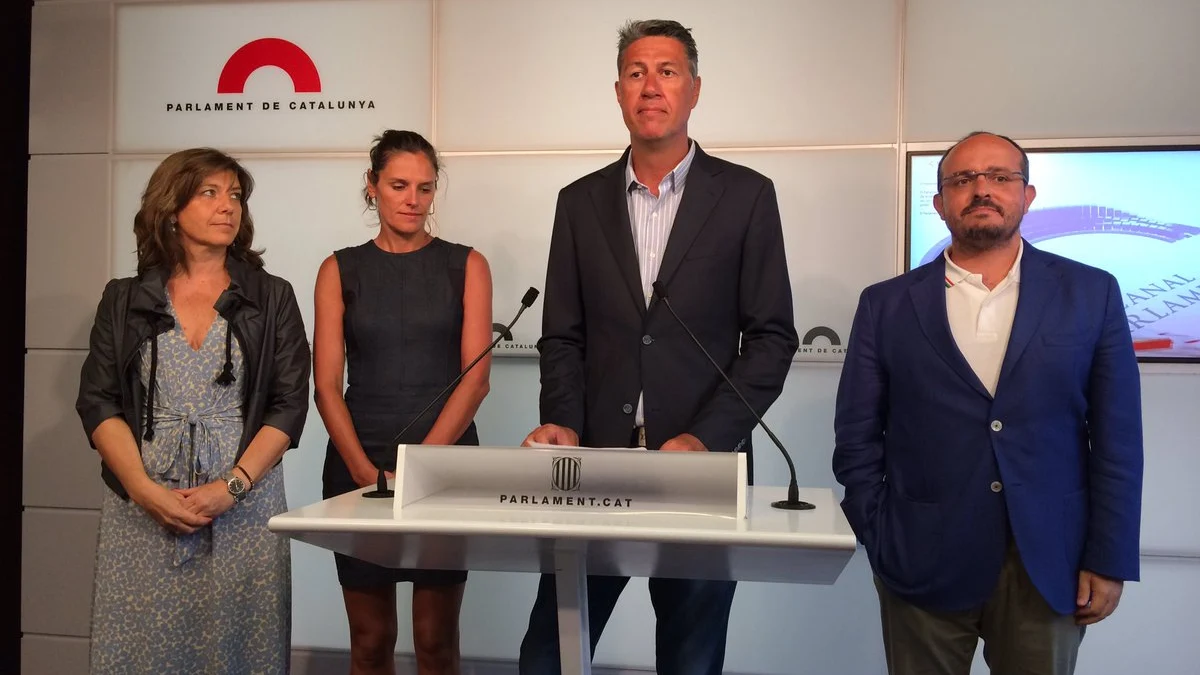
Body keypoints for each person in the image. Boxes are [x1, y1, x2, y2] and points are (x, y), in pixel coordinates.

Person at [518, 19, 798, 675]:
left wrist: (707, 438)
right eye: (637, 72)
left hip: (700, 472)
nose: (652, 86)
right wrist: (560, 417)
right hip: (593, 469)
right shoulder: (579, 202)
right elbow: (562, 336)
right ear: (618, 91)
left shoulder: (747, 196)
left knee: (690, 660)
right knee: (546, 655)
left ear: (694, 89)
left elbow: (771, 338)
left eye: (667, 71)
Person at [833, 131, 1144, 675]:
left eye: (1000, 177)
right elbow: (857, 436)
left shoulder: (1090, 293)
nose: (982, 189)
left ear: (1027, 195)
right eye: (963, 180)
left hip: (1051, 563)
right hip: (920, 559)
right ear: (939, 203)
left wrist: (1108, 555)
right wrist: (881, 536)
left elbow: (1117, 440)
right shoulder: (885, 305)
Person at [76, 148, 311, 674]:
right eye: (210, 193)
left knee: (238, 653)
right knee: (142, 654)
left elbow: (289, 404)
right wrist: (143, 490)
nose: (228, 206)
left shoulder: (272, 297)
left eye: (235, 195)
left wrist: (230, 488)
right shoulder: (123, 298)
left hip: (243, 509)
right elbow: (98, 401)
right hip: (143, 508)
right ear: (171, 206)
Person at [313, 129, 493, 675]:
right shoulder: (338, 268)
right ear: (372, 187)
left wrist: (420, 467)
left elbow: (476, 378)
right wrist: (366, 471)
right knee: (370, 640)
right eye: (398, 185)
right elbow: (325, 385)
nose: (413, 198)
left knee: (436, 640)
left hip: (445, 468)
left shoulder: (467, 264)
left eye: (424, 186)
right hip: (356, 463)